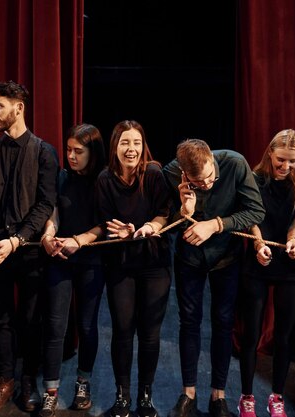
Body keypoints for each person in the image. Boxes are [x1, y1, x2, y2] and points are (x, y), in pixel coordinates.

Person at [0, 80, 59, 414]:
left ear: (18, 107)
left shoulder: (44, 152)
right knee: (2, 317)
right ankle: (5, 379)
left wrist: (16, 239)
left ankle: (28, 381)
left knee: (31, 319)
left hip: (31, 251)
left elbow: (45, 204)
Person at [162, 139, 265, 417]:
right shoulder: (171, 172)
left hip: (226, 258)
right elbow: (166, 221)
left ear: (212, 161)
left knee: (223, 323)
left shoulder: (234, 163)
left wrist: (216, 224)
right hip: (189, 258)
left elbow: (256, 211)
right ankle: (189, 394)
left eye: (210, 177)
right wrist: (186, 211)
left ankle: (218, 396)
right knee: (189, 322)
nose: (206, 184)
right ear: (184, 174)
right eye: (198, 181)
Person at [96, 120, 172, 417]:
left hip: (154, 262)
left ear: (144, 146)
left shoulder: (153, 173)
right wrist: (123, 231)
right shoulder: (105, 179)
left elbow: (165, 212)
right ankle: (122, 395)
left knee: (150, 334)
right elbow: (105, 221)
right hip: (121, 263)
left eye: (137, 143)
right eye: (125, 143)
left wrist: (149, 226)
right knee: (122, 330)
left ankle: (145, 396)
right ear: (115, 146)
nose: (131, 149)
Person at [237, 130, 295, 417]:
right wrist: (257, 244)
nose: (286, 167)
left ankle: (276, 396)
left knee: (284, 335)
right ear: (270, 153)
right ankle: (246, 397)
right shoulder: (253, 180)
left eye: (293, 162)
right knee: (252, 333)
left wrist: (294, 241)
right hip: (258, 261)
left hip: (289, 266)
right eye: (281, 160)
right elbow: (251, 217)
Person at [37, 123, 107, 417]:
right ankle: (51, 390)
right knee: (55, 326)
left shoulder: (104, 180)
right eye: (69, 150)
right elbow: (52, 213)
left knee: (88, 325)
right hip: (60, 258)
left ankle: (83, 382)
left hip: (91, 259)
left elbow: (106, 224)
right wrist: (47, 237)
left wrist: (80, 241)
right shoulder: (62, 177)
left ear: (93, 152)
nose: (71, 156)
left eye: (79, 151)